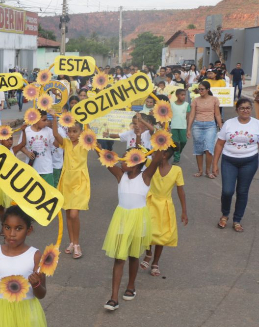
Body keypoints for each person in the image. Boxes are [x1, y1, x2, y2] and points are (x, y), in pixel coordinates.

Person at [102, 148, 163, 311]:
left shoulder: (145, 176)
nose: (120, 161)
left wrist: (160, 138)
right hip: (121, 219)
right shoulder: (120, 175)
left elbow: (157, 159)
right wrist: (92, 140)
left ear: (135, 162)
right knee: (119, 257)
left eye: (124, 159)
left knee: (134, 254)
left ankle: (131, 285)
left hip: (138, 219)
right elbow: (105, 158)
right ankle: (113, 297)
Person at [212, 98, 259, 232]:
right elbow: (220, 144)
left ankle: (237, 220)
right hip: (229, 161)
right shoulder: (229, 124)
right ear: (237, 109)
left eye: (248, 108)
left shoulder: (257, 124)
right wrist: (215, 164)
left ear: (251, 109)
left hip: (249, 162)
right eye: (242, 108)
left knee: (242, 192)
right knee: (227, 191)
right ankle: (225, 214)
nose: (245, 110)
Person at [142, 146, 188, 276]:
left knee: (161, 235)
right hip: (150, 202)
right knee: (146, 231)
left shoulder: (177, 170)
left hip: (165, 206)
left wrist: (184, 211)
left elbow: (181, 191)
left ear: (164, 155)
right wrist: (139, 135)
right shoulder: (151, 164)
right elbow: (139, 154)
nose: (153, 153)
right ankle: (148, 253)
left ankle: (155, 262)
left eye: (156, 152)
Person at [51, 118, 90, 259]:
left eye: (75, 131)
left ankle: (77, 243)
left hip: (80, 181)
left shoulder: (85, 143)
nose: (72, 134)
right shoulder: (66, 143)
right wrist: (54, 117)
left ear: (81, 132)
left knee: (74, 214)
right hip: (67, 180)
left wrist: (87, 118)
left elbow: (90, 134)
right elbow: (55, 134)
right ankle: (72, 242)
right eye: (70, 131)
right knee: (68, 214)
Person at [0, 129, 28, 222]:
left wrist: (23, 131)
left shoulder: (13, 150)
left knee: (11, 205)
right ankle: (3, 224)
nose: (10, 141)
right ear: (0, 140)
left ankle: (9, 224)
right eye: (7, 139)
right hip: (0, 183)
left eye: (11, 139)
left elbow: (23, 143)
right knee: (1, 206)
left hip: (11, 182)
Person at [187, 81, 221, 178]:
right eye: (199, 89)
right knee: (198, 149)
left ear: (207, 90)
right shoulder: (195, 100)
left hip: (210, 125)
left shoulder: (214, 99)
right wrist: (188, 129)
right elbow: (192, 115)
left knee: (209, 149)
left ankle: (208, 171)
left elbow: (217, 114)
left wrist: (221, 126)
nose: (200, 91)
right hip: (197, 125)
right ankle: (200, 170)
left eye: (202, 89)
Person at [21, 114, 56, 186]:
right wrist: (27, 153)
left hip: (46, 169)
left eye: (46, 120)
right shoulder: (26, 131)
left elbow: (57, 144)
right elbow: (21, 145)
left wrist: (56, 132)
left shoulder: (49, 131)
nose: (46, 122)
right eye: (44, 120)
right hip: (32, 169)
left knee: (48, 193)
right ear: (36, 120)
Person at [170, 89, 190, 163]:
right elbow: (169, 115)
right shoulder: (172, 104)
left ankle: (178, 152)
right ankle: (176, 157)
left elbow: (188, 117)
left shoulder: (186, 104)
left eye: (184, 95)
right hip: (174, 126)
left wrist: (188, 129)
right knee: (175, 142)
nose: (184, 96)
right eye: (182, 95)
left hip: (183, 126)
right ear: (177, 95)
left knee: (183, 141)